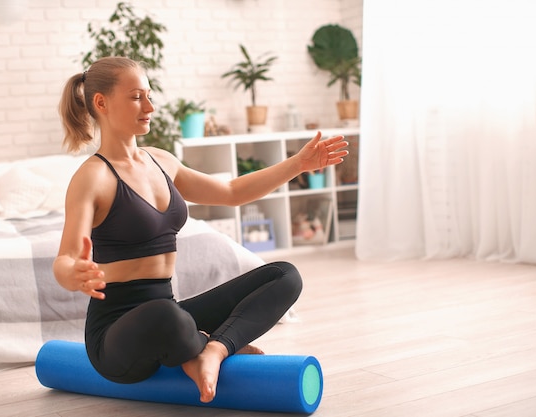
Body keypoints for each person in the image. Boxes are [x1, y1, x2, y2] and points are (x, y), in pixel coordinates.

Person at [53, 56, 348, 403]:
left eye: (150, 95)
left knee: (284, 275)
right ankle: (200, 344)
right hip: (117, 336)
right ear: (101, 102)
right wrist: (76, 273)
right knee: (165, 316)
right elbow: (65, 260)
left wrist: (298, 164)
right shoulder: (93, 177)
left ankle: (213, 350)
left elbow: (232, 192)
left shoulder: (161, 161)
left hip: (172, 314)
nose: (149, 105)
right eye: (136, 97)